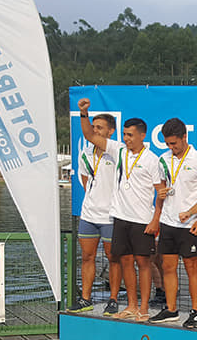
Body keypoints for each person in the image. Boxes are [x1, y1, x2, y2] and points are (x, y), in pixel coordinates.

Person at [79, 99, 165, 321]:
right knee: (125, 261)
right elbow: (90, 135)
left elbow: (161, 192)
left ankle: (144, 308)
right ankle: (131, 305)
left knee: (143, 264)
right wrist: (83, 113)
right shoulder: (118, 150)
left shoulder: (152, 160)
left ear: (142, 136)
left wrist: (156, 220)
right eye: (125, 135)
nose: (126, 139)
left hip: (142, 219)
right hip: (120, 218)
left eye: (130, 135)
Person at [149, 118, 197, 327]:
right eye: (168, 143)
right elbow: (161, 190)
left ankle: (195, 312)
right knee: (168, 266)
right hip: (168, 221)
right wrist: (158, 207)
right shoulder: (163, 159)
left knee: (191, 267)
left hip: (190, 224)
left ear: (185, 137)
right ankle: (171, 309)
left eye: (174, 143)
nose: (171, 147)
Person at [70, 110, 122, 315]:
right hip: (89, 215)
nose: (95, 130)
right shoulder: (85, 154)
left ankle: (113, 299)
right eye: (93, 127)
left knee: (113, 258)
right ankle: (85, 299)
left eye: (99, 127)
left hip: (111, 215)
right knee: (87, 257)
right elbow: (86, 183)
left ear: (111, 131)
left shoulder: (118, 150)